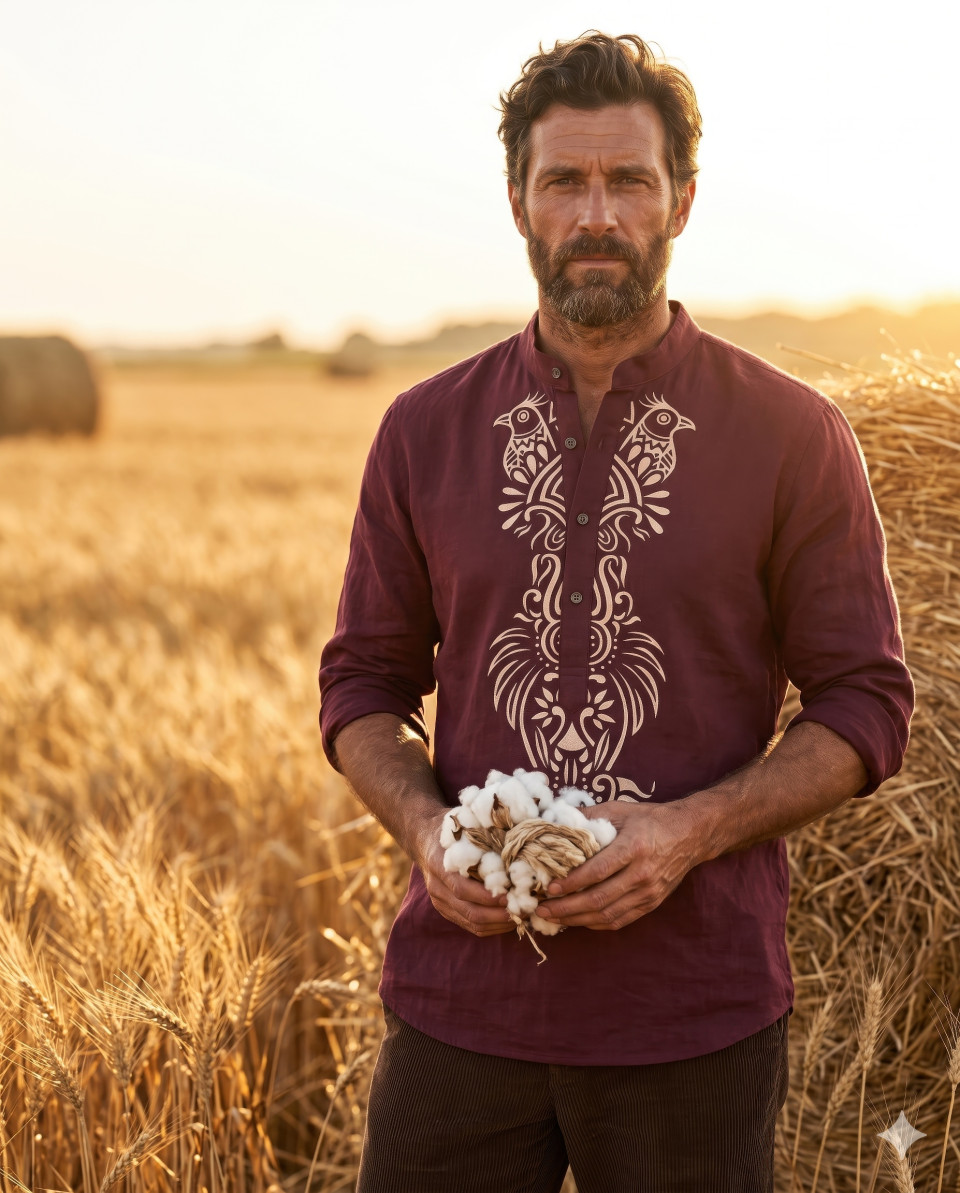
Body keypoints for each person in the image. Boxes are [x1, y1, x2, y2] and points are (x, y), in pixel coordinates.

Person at [318, 31, 914, 1193]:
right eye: (565, 182)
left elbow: (866, 703)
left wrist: (686, 832)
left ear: (681, 200)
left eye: (629, 180)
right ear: (519, 203)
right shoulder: (421, 429)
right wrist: (425, 828)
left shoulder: (792, 434)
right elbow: (361, 687)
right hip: (459, 1007)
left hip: (694, 1015)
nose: (598, 214)